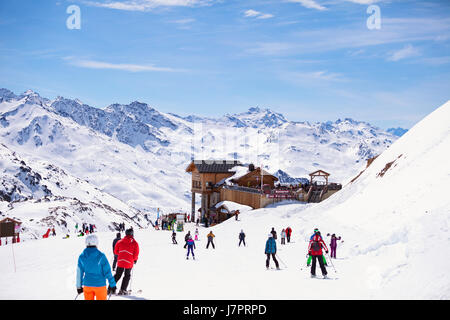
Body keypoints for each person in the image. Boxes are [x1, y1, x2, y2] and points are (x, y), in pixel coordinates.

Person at [76, 234, 117, 300]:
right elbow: (107, 271)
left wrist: (79, 286)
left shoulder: (82, 256)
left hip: (87, 285)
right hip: (100, 285)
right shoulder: (101, 256)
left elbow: (79, 272)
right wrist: (112, 284)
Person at [113, 228, 139, 295]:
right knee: (127, 275)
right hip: (129, 262)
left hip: (120, 261)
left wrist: (121, 254)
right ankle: (123, 290)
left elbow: (115, 251)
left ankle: (110, 288)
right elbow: (136, 253)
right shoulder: (135, 243)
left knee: (117, 275)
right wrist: (135, 259)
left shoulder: (120, 241)